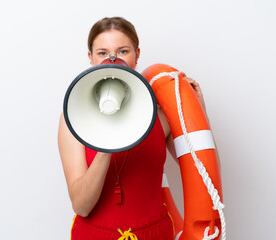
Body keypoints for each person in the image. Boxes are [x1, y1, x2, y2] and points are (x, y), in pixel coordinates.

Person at [58, 17, 206, 240]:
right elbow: (81, 206)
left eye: (123, 51)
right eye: (102, 52)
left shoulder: (161, 114)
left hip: (155, 233)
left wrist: (198, 110)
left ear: (137, 55)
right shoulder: (72, 119)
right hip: (95, 234)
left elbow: (202, 171)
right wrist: (106, 145)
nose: (112, 59)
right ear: (90, 58)